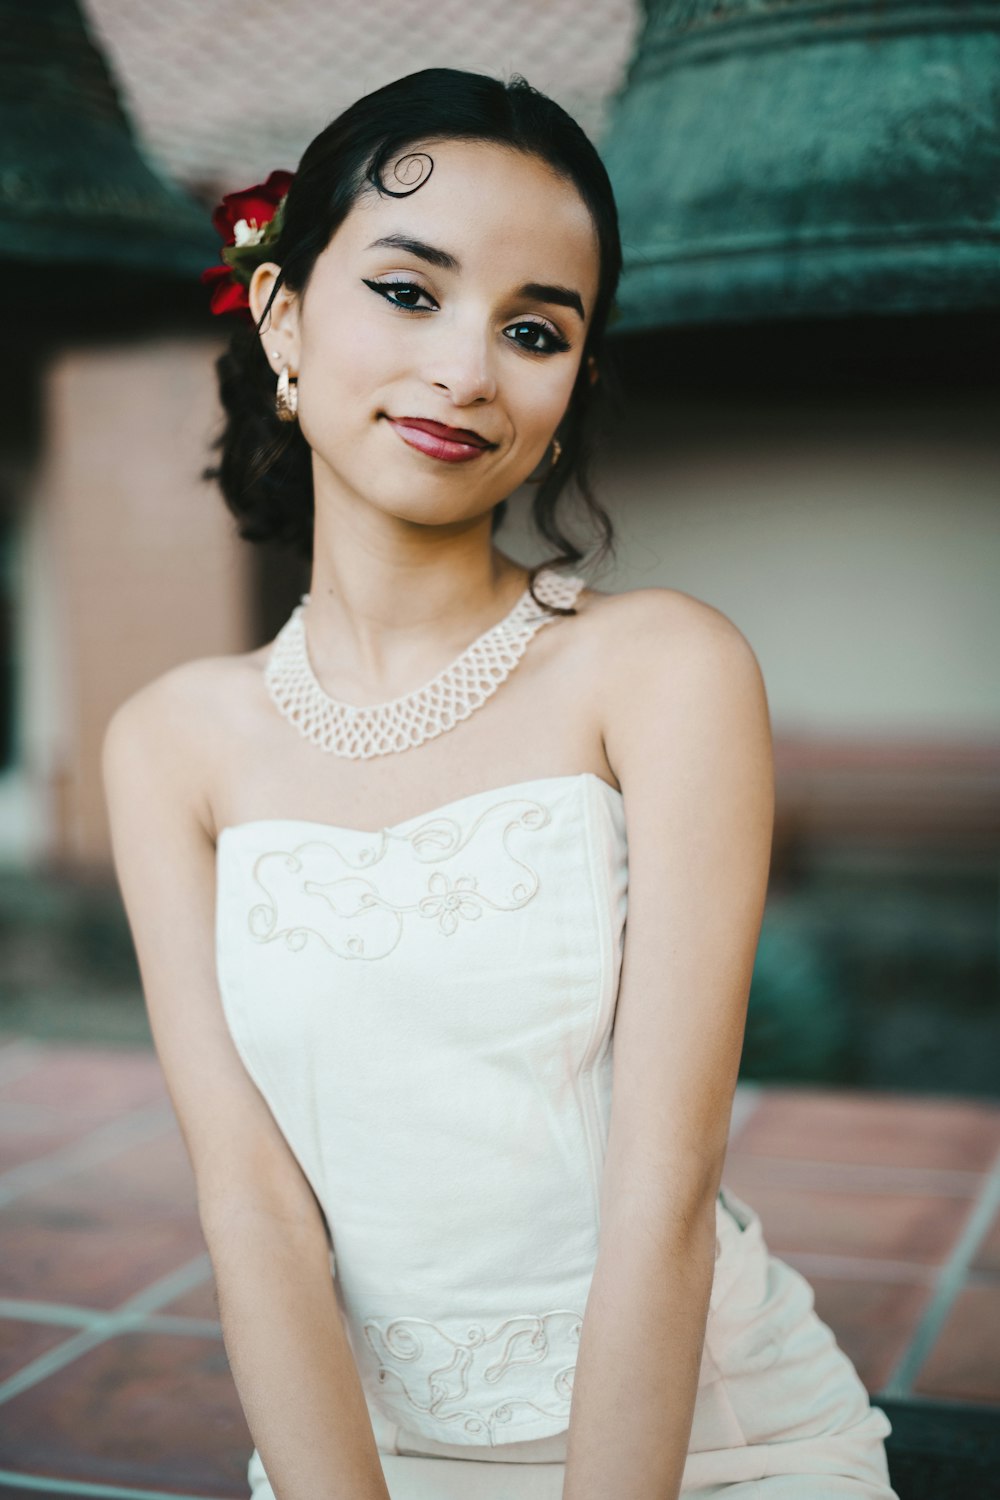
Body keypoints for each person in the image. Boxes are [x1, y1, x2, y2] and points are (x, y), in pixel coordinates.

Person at [102, 66, 898, 1500]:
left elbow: (659, 1203)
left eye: (534, 329)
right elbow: (255, 1208)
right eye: (410, 292)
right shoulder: (170, 745)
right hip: (368, 1447)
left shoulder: (663, 672)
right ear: (283, 318)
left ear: (570, 384)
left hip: (705, 1445)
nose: (468, 369)